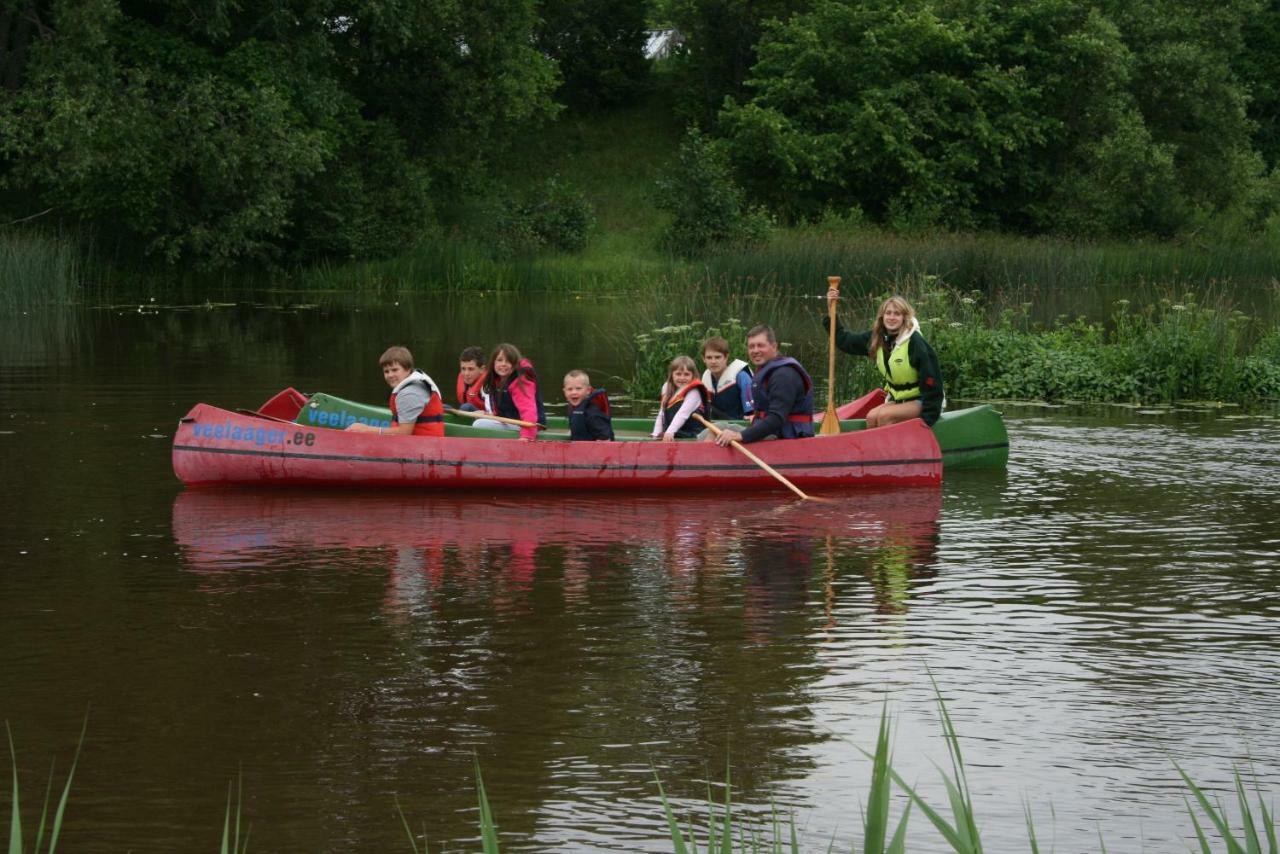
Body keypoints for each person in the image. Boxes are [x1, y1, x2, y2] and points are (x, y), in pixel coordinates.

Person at [824, 290, 943, 428]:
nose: (891, 317)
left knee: (885, 416)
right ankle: (874, 449)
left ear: (905, 317)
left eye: (897, 314)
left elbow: (932, 380)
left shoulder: (915, 342)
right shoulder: (877, 338)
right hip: (899, 401)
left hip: (922, 401)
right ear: (882, 316)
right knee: (871, 416)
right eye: (888, 313)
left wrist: (927, 421)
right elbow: (846, 341)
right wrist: (830, 309)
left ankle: (891, 449)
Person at [712, 325, 814, 446]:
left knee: (718, 431)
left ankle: (702, 461)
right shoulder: (767, 370)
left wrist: (741, 435)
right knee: (717, 428)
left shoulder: (783, 375)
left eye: (760, 345)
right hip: (772, 432)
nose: (755, 351)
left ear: (774, 346)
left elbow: (776, 418)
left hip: (785, 437)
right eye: (751, 346)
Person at [345, 345, 445, 437]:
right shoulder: (413, 384)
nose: (390, 375)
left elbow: (404, 433)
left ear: (408, 369)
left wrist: (366, 430)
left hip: (423, 447)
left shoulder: (409, 394)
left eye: (395, 370)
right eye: (386, 371)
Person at [476, 343, 546, 442]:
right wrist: (491, 415)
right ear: (493, 363)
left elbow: (529, 411)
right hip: (513, 422)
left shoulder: (520, 382)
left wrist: (527, 436)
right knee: (478, 418)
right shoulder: (498, 380)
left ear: (514, 364)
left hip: (528, 427)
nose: (503, 364)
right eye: (499, 360)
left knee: (479, 424)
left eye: (508, 361)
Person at [652, 355, 707, 441]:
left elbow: (683, 414)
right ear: (672, 375)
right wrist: (655, 435)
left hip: (692, 436)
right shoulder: (666, 387)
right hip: (674, 434)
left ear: (693, 376)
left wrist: (670, 431)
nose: (682, 378)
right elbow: (661, 414)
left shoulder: (694, 392)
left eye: (686, 374)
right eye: (678, 374)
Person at [700, 336, 753, 420]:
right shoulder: (706, 377)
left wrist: (751, 414)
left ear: (726, 357)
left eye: (718, 357)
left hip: (740, 426)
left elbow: (751, 412)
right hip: (715, 426)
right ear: (703, 359)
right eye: (709, 357)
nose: (713, 361)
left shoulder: (741, 376)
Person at [563, 370, 615, 441]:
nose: (574, 392)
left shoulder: (592, 414)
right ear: (564, 391)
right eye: (570, 389)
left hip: (595, 450)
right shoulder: (573, 407)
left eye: (578, 388)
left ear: (588, 390)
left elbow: (605, 438)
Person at [455, 345, 488, 411]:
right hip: (471, 413)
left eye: (471, 369)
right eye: (463, 369)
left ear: (482, 369)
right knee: (443, 407)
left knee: (466, 407)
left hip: (487, 418)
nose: (466, 373)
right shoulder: (463, 378)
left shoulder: (488, 385)